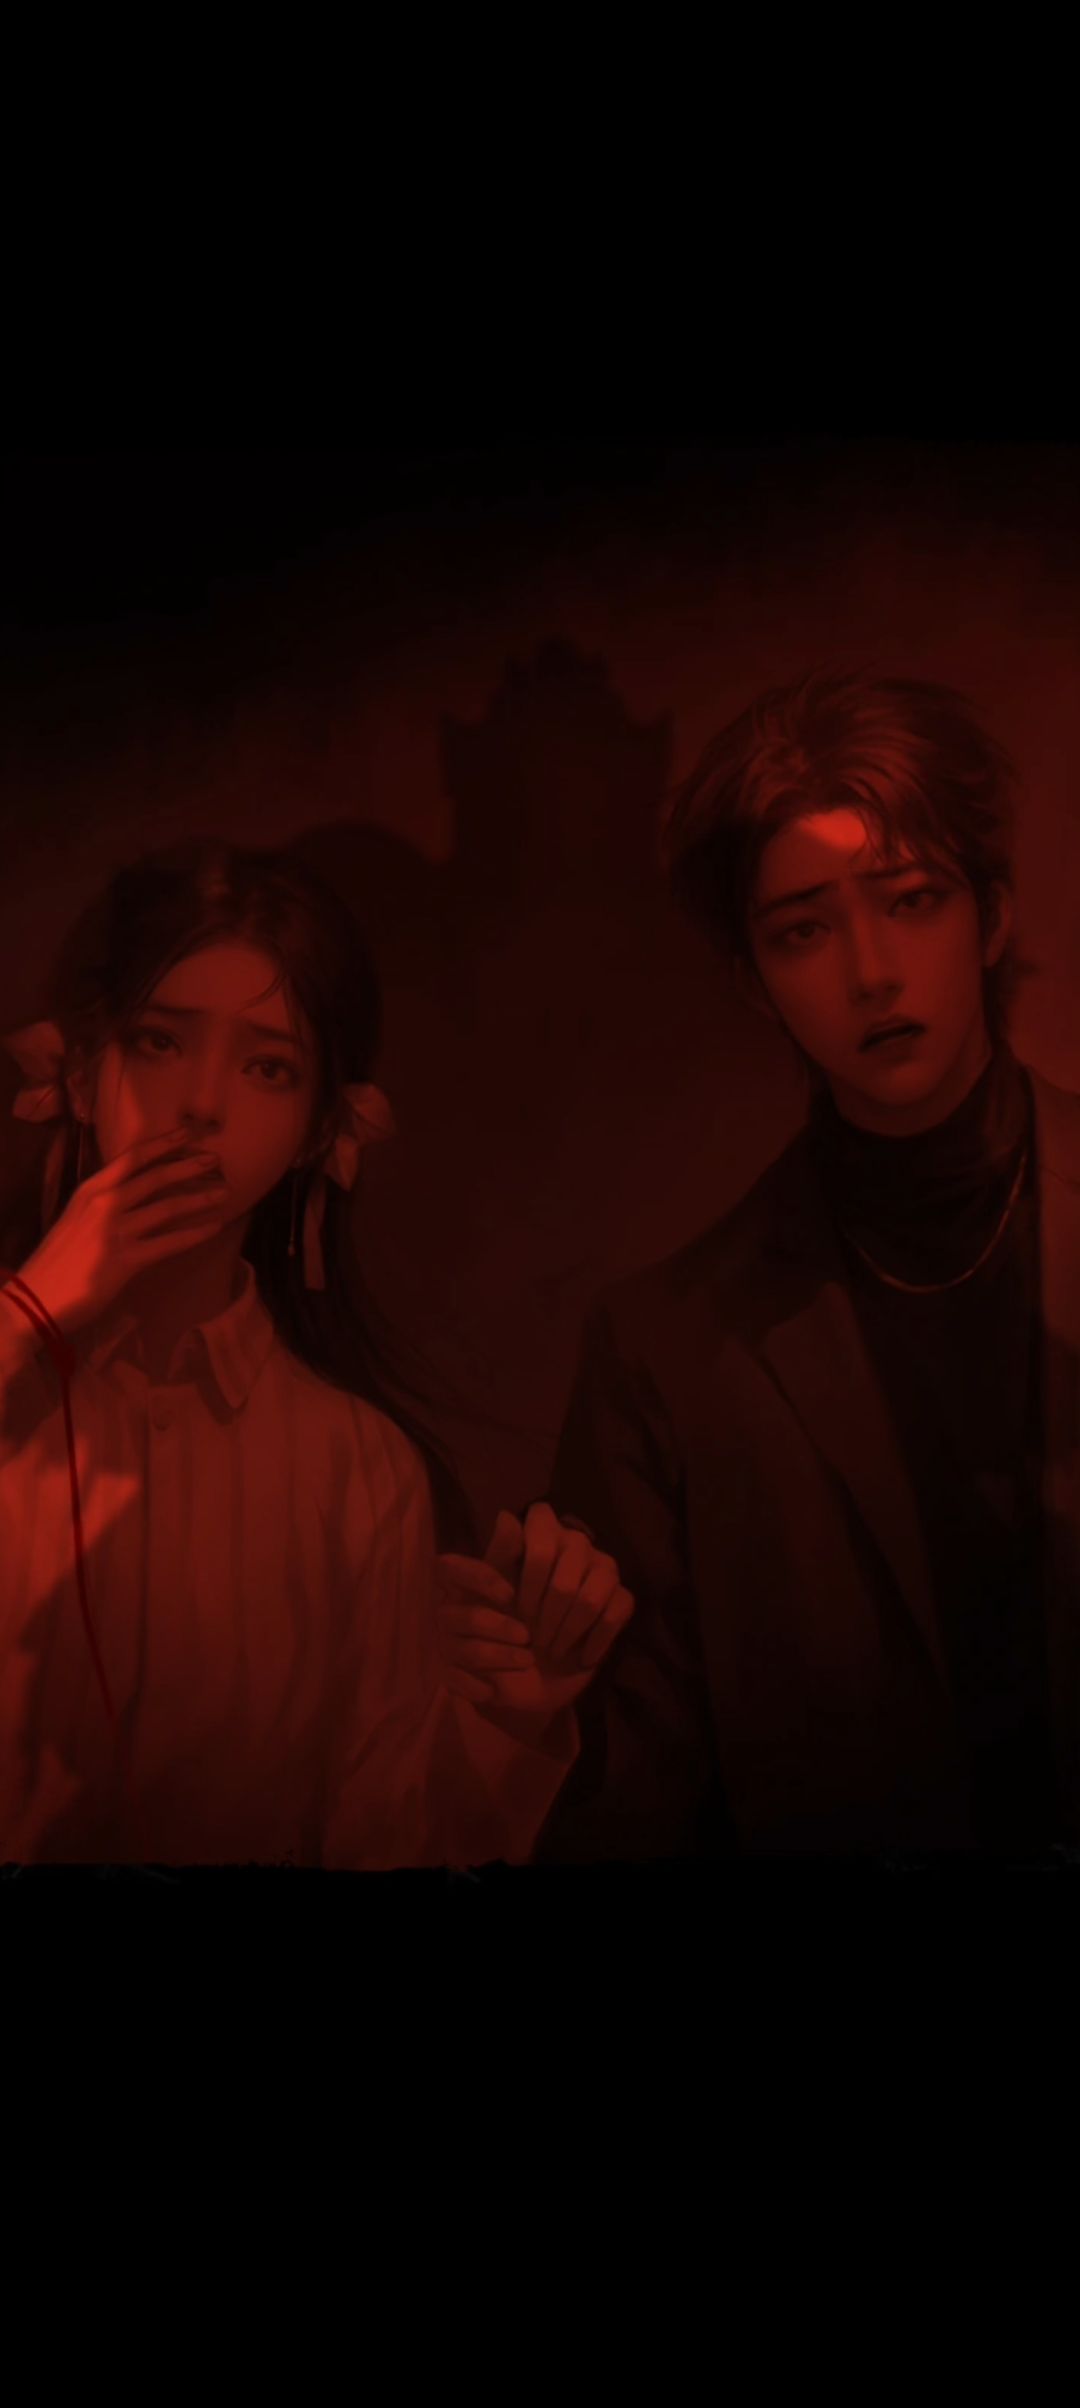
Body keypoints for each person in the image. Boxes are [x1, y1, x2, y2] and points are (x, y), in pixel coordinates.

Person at [0, 837, 631, 1868]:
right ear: (79, 1067)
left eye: (267, 1065)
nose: (201, 1103)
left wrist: (509, 1719)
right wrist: (31, 1312)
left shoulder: (358, 1470)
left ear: (316, 1128)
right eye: (160, 1041)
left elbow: (379, 1834)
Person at [540, 667, 1080, 1860]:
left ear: (991, 917)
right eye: (804, 929)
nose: (871, 970)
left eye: (912, 899)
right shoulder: (666, 1349)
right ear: (757, 981)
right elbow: (636, 1805)